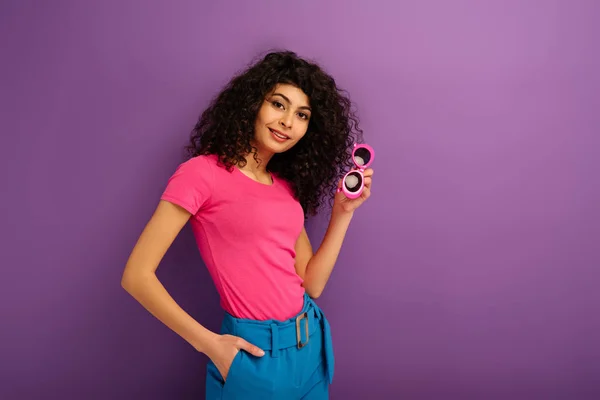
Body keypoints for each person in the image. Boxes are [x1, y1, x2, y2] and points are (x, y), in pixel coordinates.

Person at [121, 50, 374, 399]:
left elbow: (312, 284)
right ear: (253, 103)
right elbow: (136, 275)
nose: (288, 122)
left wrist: (343, 212)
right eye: (278, 104)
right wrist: (210, 345)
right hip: (253, 358)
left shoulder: (285, 188)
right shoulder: (202, 173)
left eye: (302, 115)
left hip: (310, 348)